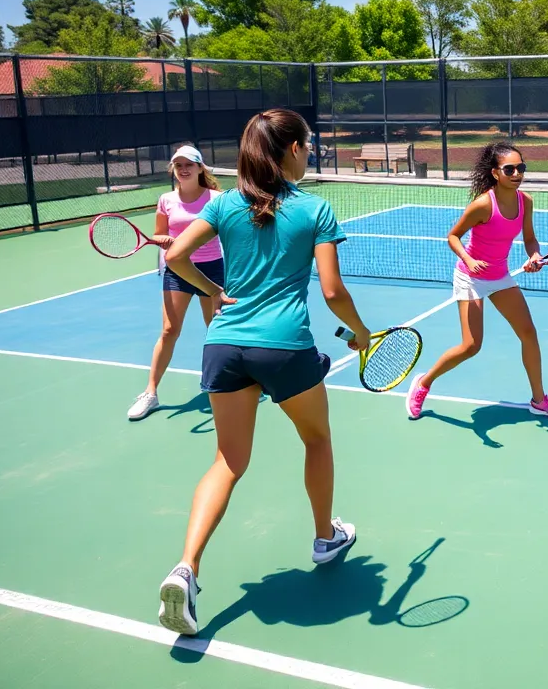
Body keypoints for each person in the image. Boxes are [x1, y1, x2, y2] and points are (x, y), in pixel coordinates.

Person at [156, 108, 374, 636]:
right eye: (309, 144)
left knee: (227, 462)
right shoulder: (316, 208)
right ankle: (325, 537)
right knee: (317, 440)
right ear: (293, 150)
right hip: (284, 348)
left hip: (224, 344)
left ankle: (185, 570)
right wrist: (362, 333)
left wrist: (214, 293)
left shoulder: (227, 203)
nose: (312, 152)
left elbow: (177, 256)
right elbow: (331, 291)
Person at [403, 141, 548, 422]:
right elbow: (453, 236)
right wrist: (468, 260)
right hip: (470, 277)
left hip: (499, 275)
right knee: (471, 346)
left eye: (521, 168)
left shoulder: (525, 201)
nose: (517, 173)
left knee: (528, 332)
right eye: (510, 169)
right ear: (495, 173)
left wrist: (535, 256)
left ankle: (539, 400)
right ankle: (424, 383)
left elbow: (529, 238)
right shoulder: (482, 205)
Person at [126, 145, 224, 422]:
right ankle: (150, 393)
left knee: (216, 329)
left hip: (211, 270)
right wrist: (165, 240)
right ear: (173, 169)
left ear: (200, 168)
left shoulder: (216, 199)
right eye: (178, 165)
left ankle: (229, 380)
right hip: (177, 270)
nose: (183, 169)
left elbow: (227, 231)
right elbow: (159, 234)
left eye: (189, 164)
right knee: (169, 330)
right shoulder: (166, 200)